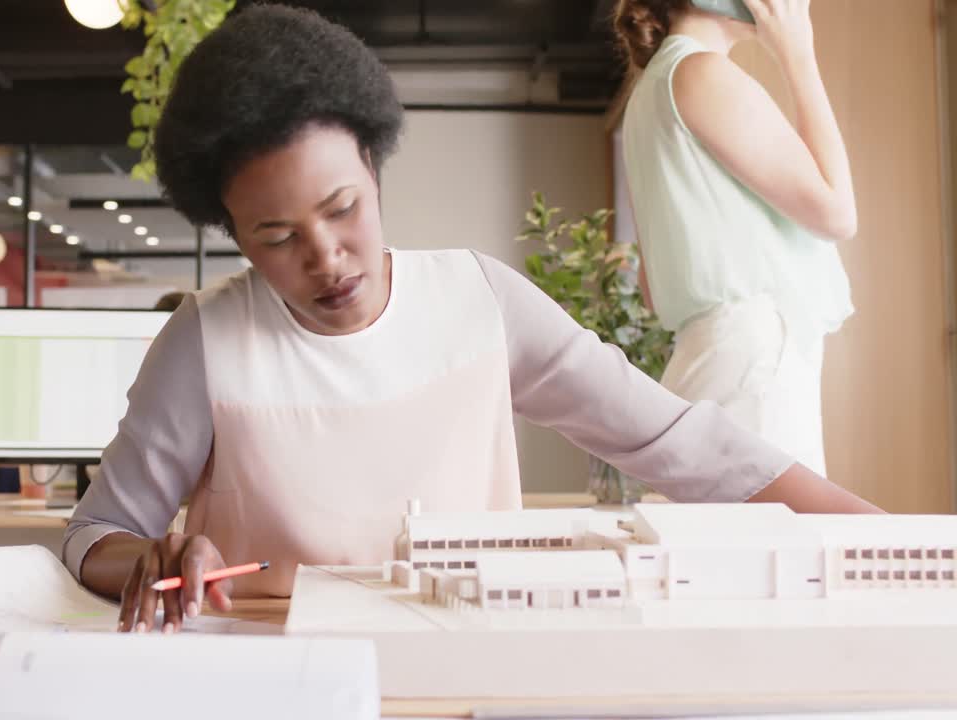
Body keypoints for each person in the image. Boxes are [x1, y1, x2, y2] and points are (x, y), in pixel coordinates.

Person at [64, 4, 879, 635]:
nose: (326, 257)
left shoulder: (477, 301)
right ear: (233, 234)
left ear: (375, 171)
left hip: (471, 668)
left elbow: (678, 443)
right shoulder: (205, 342)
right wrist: (156, 556)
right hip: (281, 679)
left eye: (343, 208)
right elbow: (96, 531)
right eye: (275, 238)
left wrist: (891, 537)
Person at [614, 0, 854, 476]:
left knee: (721, 541)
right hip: (753, 361)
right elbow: (838, 212)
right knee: (771, 543)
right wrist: (798, 56)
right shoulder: (702, 72)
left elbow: (650, 284)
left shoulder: (651, 92)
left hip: (710, 355)